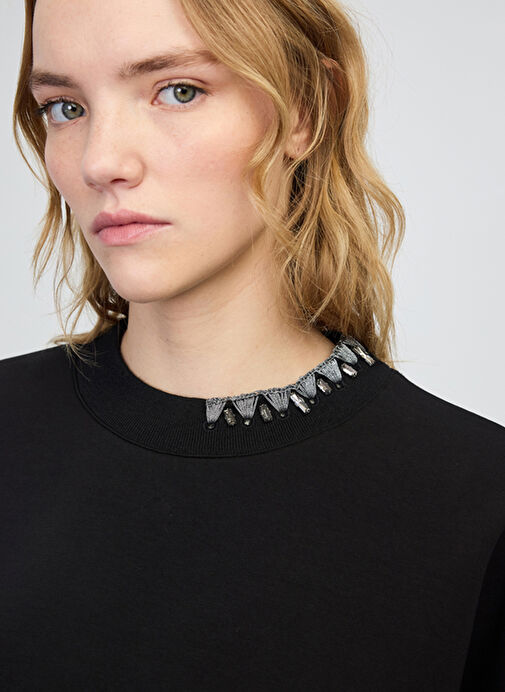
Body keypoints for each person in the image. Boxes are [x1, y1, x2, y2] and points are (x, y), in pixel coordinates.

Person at [1, 0, 504, 689]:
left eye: (178, 91)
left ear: (306, 110)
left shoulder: (479, 504)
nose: (100, 161)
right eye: (65, 107)